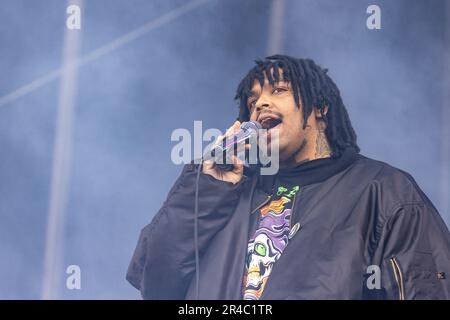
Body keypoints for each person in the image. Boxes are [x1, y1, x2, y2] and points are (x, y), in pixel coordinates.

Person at [126, 54, 450, 300]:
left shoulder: (383, 190)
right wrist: (205, 186)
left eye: (278, 90)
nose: (260, 103)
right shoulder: (229, 193)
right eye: (252, 101)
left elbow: (425, 288)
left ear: (319, 107)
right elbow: (158, 284)